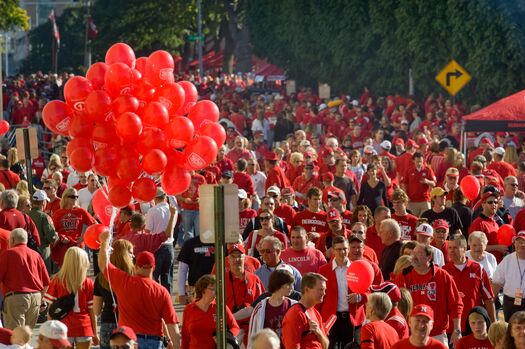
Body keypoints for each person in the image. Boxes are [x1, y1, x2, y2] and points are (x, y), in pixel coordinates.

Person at [98, 231, 181, 349]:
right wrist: (176, 345)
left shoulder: (124, 281)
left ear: (136, 266)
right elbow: (172, 324)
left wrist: (104, 242)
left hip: (129, 341)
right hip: (154, 341)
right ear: (153, 267)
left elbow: (103, 264)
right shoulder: (162, 291)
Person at [394, 243, 463, 346]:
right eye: (413, 253)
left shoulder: (442, 276)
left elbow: (456, 304)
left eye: (418, 253)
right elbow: (396, 304)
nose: (414, 256)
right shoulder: (403, 276)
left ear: (429, 257)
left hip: (437, 334)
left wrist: (457, 329)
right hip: (413, 334)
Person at [44, 247, 98, 349]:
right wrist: (94, 333)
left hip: (62, 328)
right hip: (84, 327)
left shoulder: (56, 281)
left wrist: (48, 332)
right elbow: (92, 311)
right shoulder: (88, 283)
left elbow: (51, 311)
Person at [442, 234, 496, 333]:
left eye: (455, 247)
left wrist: (493, 323)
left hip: (475, 326)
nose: (451, 251)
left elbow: (488, 298)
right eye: (449, 248)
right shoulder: (443, 271)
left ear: (464, 248)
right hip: (452, 328)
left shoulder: (478, 269)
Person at [318, 236, 365, 348]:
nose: (342, 252)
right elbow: (319, 295)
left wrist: (359, 297)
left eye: (344, 248)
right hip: (331, 319)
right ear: (333, 250)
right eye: (338, 249)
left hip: (352, 318)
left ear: (348, 249)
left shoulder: (357, 268)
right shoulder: (323, 270)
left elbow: (367, 291)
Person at [0, 228, 49, 329]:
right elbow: (46, 282)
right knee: (26, 336)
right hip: (35, 298)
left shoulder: (7, 254)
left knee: (15, 337)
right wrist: (41, 298)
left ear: (12, 240)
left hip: (16, 297)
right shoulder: (36, 255)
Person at [94, 239, 135, 349]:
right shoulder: (134, 275)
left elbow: (96, 310)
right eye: (131, 253)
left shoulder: (101, 277)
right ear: (125, 255)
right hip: (130, 323)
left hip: (108, 322)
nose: (133, 256)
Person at [181, 274, 240, 349]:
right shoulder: (189, 309)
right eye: (212, 289)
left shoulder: (221, 307)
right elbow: (185, 338)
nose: (216, 292)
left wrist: (225, 336)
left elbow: (235, 327)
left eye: (217, 289)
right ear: (203, 290)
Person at [225, 244, 265, 342]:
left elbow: (262, 303)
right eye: (233, 257)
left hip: (251, 327)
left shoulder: (254, 279)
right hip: (230, 328)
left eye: (239, 256)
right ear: (228, 260)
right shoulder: (221, 280)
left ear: (245, 258)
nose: (236, 259)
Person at [247, 269, 297, 348]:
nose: (292, 288)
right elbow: (253, 335)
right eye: (289, 284)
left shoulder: (294, 306)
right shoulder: (260, 308)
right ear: (280, 285)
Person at [281, 273, 329, 349]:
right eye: (320, 289)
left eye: (324, 290)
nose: (324, 293)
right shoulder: (295, 314)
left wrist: (319, 333)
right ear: (307, 289)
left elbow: (326, 345)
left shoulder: (315, 313)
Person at [51, 187, 95, 266]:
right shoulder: (58, 213)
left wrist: (84, 237)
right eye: (72, 197)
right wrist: (61, 238)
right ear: (65, 198)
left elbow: (94, 224)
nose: (75, 199)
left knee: (78, 272)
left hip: (77, 247)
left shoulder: (81, 211)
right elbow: (53, 231)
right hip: (63, 249)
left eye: (76, 197)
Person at [140, 202, 178, 292]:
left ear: (155, 198)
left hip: (156, 247)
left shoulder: (153, 211)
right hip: (169, 247)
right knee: (167, 278)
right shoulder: (173, 210)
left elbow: (147, 231)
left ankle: (155, 299)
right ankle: (167, 301)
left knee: (153, 277)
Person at [492, 231, 525, 320]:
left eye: (524, 242)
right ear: (514, 244)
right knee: (510, 330)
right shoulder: (508, 259)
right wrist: (490, 303)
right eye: (519, 242)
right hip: (510, 303)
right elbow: (497, 282)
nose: (522, 245)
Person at [469, 190, 507, 262]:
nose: (494, 204)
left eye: (495, 202)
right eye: (490, 202)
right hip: (484, 264)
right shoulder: (478, 223)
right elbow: (474, 247)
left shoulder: (495, 222)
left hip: (497, 263)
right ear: (483, 205)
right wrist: (498, 248)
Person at [177, 235, 215, 305]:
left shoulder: (222, 243)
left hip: (217, 290)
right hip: (195, 291)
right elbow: (182, 270)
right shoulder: (190, 244)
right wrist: (181, 293)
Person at [27, 190, 58, 274]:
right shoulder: (44, 217)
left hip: (28, 251)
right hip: (43, 251)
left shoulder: (26, 214)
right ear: (43, 202)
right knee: (45, 277)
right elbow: (52, 237)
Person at [400, 152, 437, 216]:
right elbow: (403, 184)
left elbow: (434, 184)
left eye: (421, 161)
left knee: (425, 220)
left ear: (423, 160)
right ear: (413, 161)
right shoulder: (409, 170)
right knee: (413, 221)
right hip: (412, 201)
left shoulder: (428, 169)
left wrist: (427, 181)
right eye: (417, 161)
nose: (419, 163)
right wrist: (405, 195)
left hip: (425, 200)